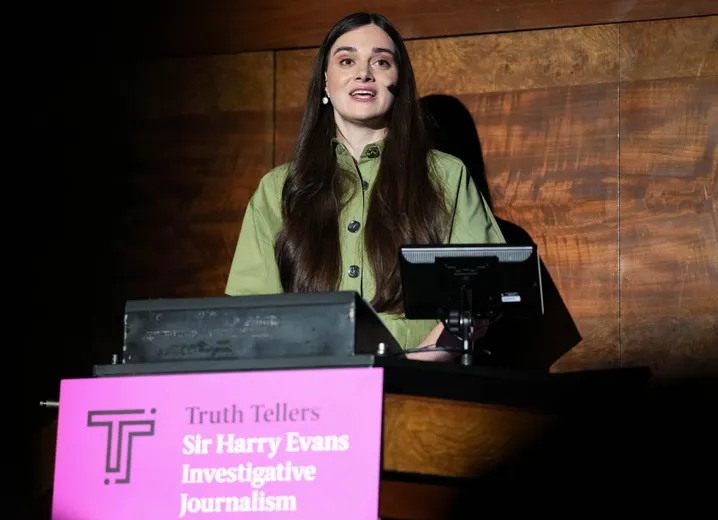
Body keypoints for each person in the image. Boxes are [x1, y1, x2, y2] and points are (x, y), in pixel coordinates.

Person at [225, 12, 505, 361]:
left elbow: (480, 294)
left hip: (423, 384)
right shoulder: (278, 188)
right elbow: (251, 313)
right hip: (308, 390)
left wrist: (420, 363)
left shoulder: (447, 175)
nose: (364, 73)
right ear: (325, 83)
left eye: (381, 62)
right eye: (347, 60)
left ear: (399, 82)